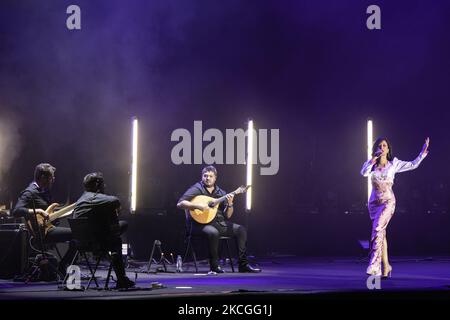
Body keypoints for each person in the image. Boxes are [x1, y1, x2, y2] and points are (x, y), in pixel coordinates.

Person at [361, 137, 429, 277]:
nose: (382, 147)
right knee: (381, 233)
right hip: (374, 203)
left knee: (378, 228)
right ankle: (386, 267)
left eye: (384, 145)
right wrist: (372, 160)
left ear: (388, 149)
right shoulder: (371, 165)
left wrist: (422, 154)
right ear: (376, 149)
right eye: (379, 146)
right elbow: (363, 172)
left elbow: (412, 164)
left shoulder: (394, 164)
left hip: (388, 201)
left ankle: (374, 266)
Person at [177, 165, 261, 273]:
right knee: (213, 232)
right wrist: (198, 206)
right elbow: (180, 203)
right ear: (202, 177)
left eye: (210, 176)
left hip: (217, 223)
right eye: (205, 176)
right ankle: (214, 266)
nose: (207, 178)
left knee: (241, 230)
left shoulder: (221, 193)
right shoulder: (197, 188)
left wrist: (230, 204)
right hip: (197, 225)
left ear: (215, 178)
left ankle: (243, 265)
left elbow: (228, 216)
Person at [12, 163, 77, 277]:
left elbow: (48, 215)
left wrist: (61, 214)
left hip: (49, 227)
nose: (53, 180)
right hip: (43, 233)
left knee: (77, 239)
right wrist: (38, 211)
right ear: (43, 177)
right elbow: (16, 211)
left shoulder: (43, 192)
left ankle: (64, 266)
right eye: (52, 177)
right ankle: (63, 266)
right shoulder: (30, 192)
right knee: (78, 234)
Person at [72, 172, 135, 289]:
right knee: (119, 233)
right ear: (97, 185)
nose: (104, 187)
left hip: (81, 243)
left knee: (113, 231)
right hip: (96, 243)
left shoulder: (81, 199)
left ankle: (111, 255)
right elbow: (115, 200)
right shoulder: (93, 197)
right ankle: (121, 278)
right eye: (103, 184)